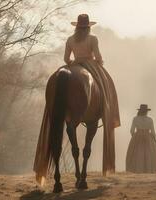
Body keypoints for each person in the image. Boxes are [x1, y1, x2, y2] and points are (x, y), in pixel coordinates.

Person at [64, 14, 120, 173]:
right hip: (90, 65)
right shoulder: (93, 38)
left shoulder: (70, 39)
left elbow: (65, 58)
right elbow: (98, 57)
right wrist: (99, 63)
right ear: (88, 26)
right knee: (106, 84)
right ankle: (105, 109)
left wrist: (73, 64)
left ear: (76, 27)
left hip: (74, 64)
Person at [126, 104, 156, 174]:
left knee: (137, 155)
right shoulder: (150, 120)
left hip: (137, 137)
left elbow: (131, 131)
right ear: (146, 111)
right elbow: (153, 132)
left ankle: (137, 170)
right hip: (148, 139)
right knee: (149, 154)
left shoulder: (135, 119)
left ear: (140, 111)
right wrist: (155, 141)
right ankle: (147, 170)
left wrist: (135, 137)